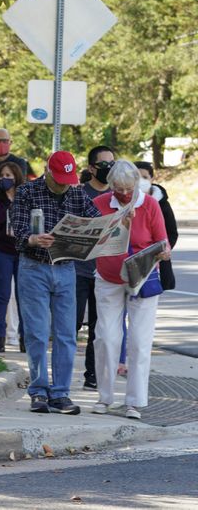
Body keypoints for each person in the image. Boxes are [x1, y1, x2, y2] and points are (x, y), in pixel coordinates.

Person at [12, 151, 100, 415]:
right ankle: (38, 391)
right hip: (34, 266)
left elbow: (95, 218)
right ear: (47, 171)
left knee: (66, 334)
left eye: (68, 179)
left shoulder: (76, 193)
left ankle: (61, 393)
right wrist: (32, 239)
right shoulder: (28, 192)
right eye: (59, 178)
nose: (64, 184)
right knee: (37, 333)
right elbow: (17, 230)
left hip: (66, 269)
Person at [92, 160, 170, 419]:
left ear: (137, 184)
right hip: (108, 276)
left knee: (139, 340)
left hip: (142, 277)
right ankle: (105, 397)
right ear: (111, 185)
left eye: (128, 188)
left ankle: (134, 402)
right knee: (106, 337)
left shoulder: (149, 204)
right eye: (118, 189)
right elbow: (91, 241)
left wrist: (163, 252)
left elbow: (162, 243)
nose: (124, 194)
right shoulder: (102, 203)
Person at [76, 146, 115, 390]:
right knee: (72, 325)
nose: (109, 169)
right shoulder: (79, 194)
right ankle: (61, 374)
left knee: (99, 328)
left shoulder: (117, 195)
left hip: (105, 272)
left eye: (113, 163)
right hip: (79, 270)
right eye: (104, 165)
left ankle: (93, 374)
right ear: (91, 168)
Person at [0, 162, 26, 353]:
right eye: (2, 175)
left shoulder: (24, 197)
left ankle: (23, 338)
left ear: (17, 176)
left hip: (22, 252)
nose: (5, 178)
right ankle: (0, 338)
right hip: (1, 252)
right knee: (3, 295)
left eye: (9, 175)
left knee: (23, 297)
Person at [135, 161, 178, 290]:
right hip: (131, 260)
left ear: (152, 179)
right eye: (137, 177)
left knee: (150, 296)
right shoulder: (126, 200)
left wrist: (161, 251)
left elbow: (172, 232)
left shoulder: (162, 204)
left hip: (157, 260)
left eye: (144, 177)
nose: (140, 181)